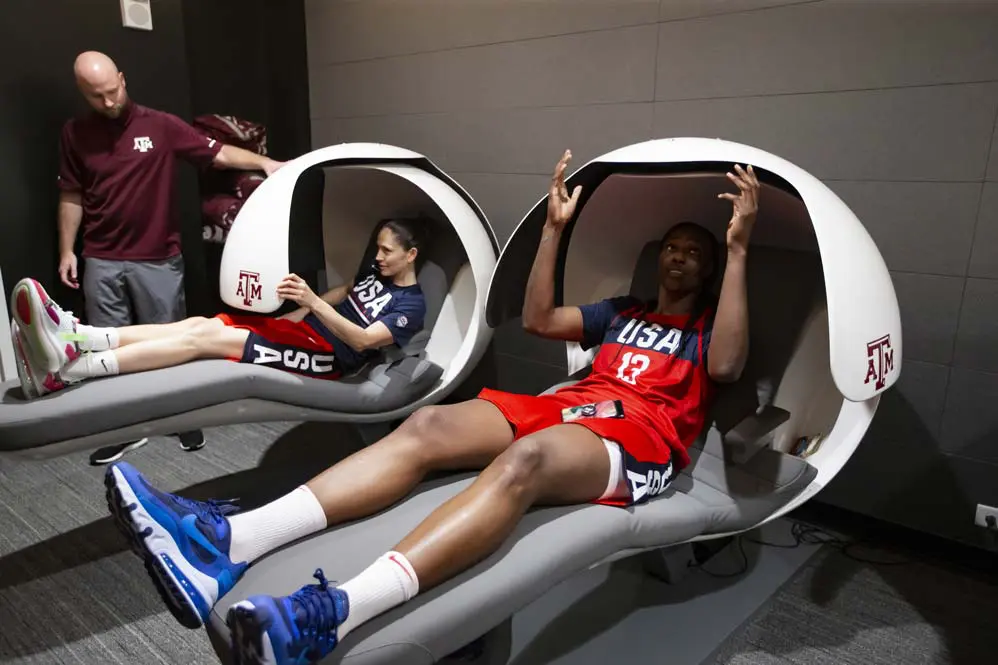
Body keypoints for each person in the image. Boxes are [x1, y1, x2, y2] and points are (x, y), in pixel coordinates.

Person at [100, 149, 758, 665]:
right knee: (429, 423)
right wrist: (555, 230)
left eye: (694, 252)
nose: (679, 257)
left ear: (705, 271)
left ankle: (335, 613)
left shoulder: (706, 330)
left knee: (524, 461)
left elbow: (726, 366)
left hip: (643, 437)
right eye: (673, 246)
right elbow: (537, 317)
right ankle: (230, 542)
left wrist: (736, 250)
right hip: (578, 404)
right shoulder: (624, 311)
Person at [53, 50, 287, 463]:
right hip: (101, 258)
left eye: (113, 91)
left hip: (157, 257)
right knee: (110, 352)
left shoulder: (159, 125)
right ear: (82, 93)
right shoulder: (75, 133)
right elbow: (70, 194)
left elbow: (217, 153)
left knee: (173, 342)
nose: (109, 103)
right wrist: (67, 249)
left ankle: (180, 415)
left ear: (123, 79)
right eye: (97, 97)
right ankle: (126, 428)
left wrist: (265, 162)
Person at [10, 218, 427, 394]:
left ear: (412, 255)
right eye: (377, 249)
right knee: (200, 323)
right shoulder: (378, 274)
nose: (379, 258)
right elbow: (349, 288)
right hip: (306, 332)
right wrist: (299, 312)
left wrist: (312, 302)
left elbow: (364, 338)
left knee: (203, 341)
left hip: (329, 357)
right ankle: (79, 337)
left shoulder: (412, 304)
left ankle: (71, 371)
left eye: (388, 252)